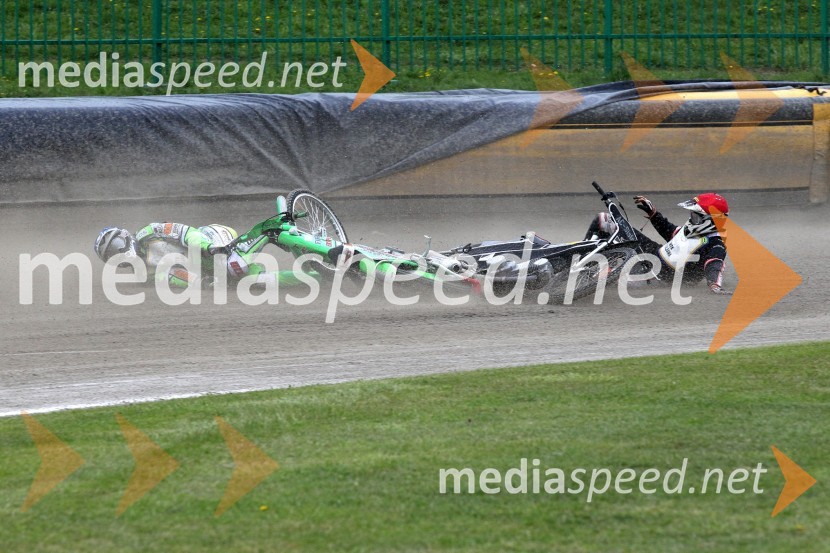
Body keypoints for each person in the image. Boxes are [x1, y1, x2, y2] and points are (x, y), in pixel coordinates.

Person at [585, 193, 732, 295]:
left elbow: (714, 265)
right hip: (654, 253)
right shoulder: (692, 228)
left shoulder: (716, 244)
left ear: (711, 220)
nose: (691, 218)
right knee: (605, 220)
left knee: (603, 276)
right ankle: (584, 261)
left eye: (696, 216)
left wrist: (714, 285)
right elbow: (671, 232)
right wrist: (653, 213)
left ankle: (582, 277)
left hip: (660, 277)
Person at [94, 222, 309, 288]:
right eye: (111, 256)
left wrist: (208, 247)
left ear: (125, 238)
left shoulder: (149, 232)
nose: (117, 254)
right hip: (208, 267)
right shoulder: (143, 275)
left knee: (233, 267)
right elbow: (175, 277)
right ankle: (320, 278)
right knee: (254, 283)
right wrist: (205, 283)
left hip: (211, 238)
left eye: (116, 246)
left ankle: (270, 230)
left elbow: (188, 233)